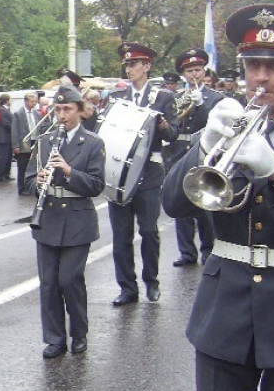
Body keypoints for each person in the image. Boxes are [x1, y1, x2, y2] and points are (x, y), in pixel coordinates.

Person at [162, 3, 274, 391]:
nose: (260, 77)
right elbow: (172, 202)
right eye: (251, 64)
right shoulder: (230, 123)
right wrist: (204, 145)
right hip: (224, 304)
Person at [25, 85, 105, 358]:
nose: (62, 115)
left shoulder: (93, 143)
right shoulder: (45, 140)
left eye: (68, 109)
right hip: (48, 218)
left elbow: (96, 185)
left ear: (80, 111)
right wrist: (36, 181)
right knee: (48, 283)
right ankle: (55, 338)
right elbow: (26, 180)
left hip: (77, 219)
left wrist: (69, 171)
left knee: (69, 279)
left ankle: (79, 332)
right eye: (58, 109)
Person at [107, 42, 178, 305]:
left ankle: (152, 281)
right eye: (126, 64)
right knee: (121, 235)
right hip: (119, 174)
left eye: (134, 64)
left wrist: (162, 125)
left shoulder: (163, 97)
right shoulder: (116, 98)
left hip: (148, 171)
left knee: (149, 231)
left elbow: (173, 133)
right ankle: (127, 287)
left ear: (147, 66)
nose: (129, 69)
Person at [164, 48, 224, 267]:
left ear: (204, 71)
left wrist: (200, 105)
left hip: (203, 150)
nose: (194, 75)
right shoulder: (177, 98)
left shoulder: (215, 98)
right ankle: (186, 252)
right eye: (189, 71)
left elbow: (215, 126)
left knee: (205, 206)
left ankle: (208, 249)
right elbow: (172, 125)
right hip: (180, 151)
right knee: (181, 202)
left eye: (197, 70)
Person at [12, 91, 42, 195]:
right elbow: (14, 130)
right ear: (26, 101)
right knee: (22, 166)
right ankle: (22, 187)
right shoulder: (18, 114)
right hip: (23, 142)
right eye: (32, 101)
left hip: (34, 141)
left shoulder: (36, 113)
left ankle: (31, 186)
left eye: (35, 101)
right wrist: (15, 145)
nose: (34, 103)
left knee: (33, 165)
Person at [0, 92, 13, 181]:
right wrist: (14, 128)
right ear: (6, 100)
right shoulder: (1, 110)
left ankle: (6, 174)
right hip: (3, 137)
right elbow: (5, 123)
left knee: (8, 157)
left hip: (8, 137)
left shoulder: (7, 110)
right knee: (2, 157)